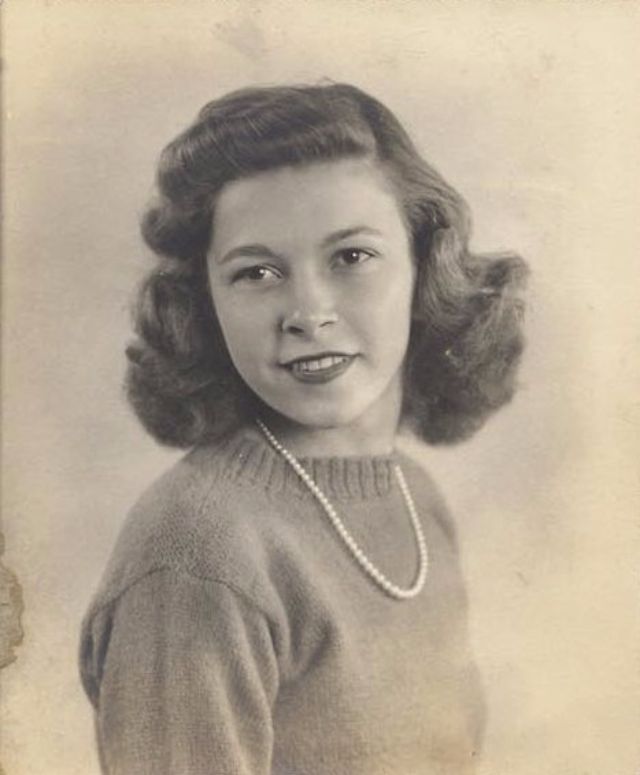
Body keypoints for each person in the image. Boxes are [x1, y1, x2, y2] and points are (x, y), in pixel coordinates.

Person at [79, 82, 527, 775]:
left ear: (424, 264)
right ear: (206, 301)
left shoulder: (415, 497)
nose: (308, 312)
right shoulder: (199, 552)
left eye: (351, 257)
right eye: (257, 272)